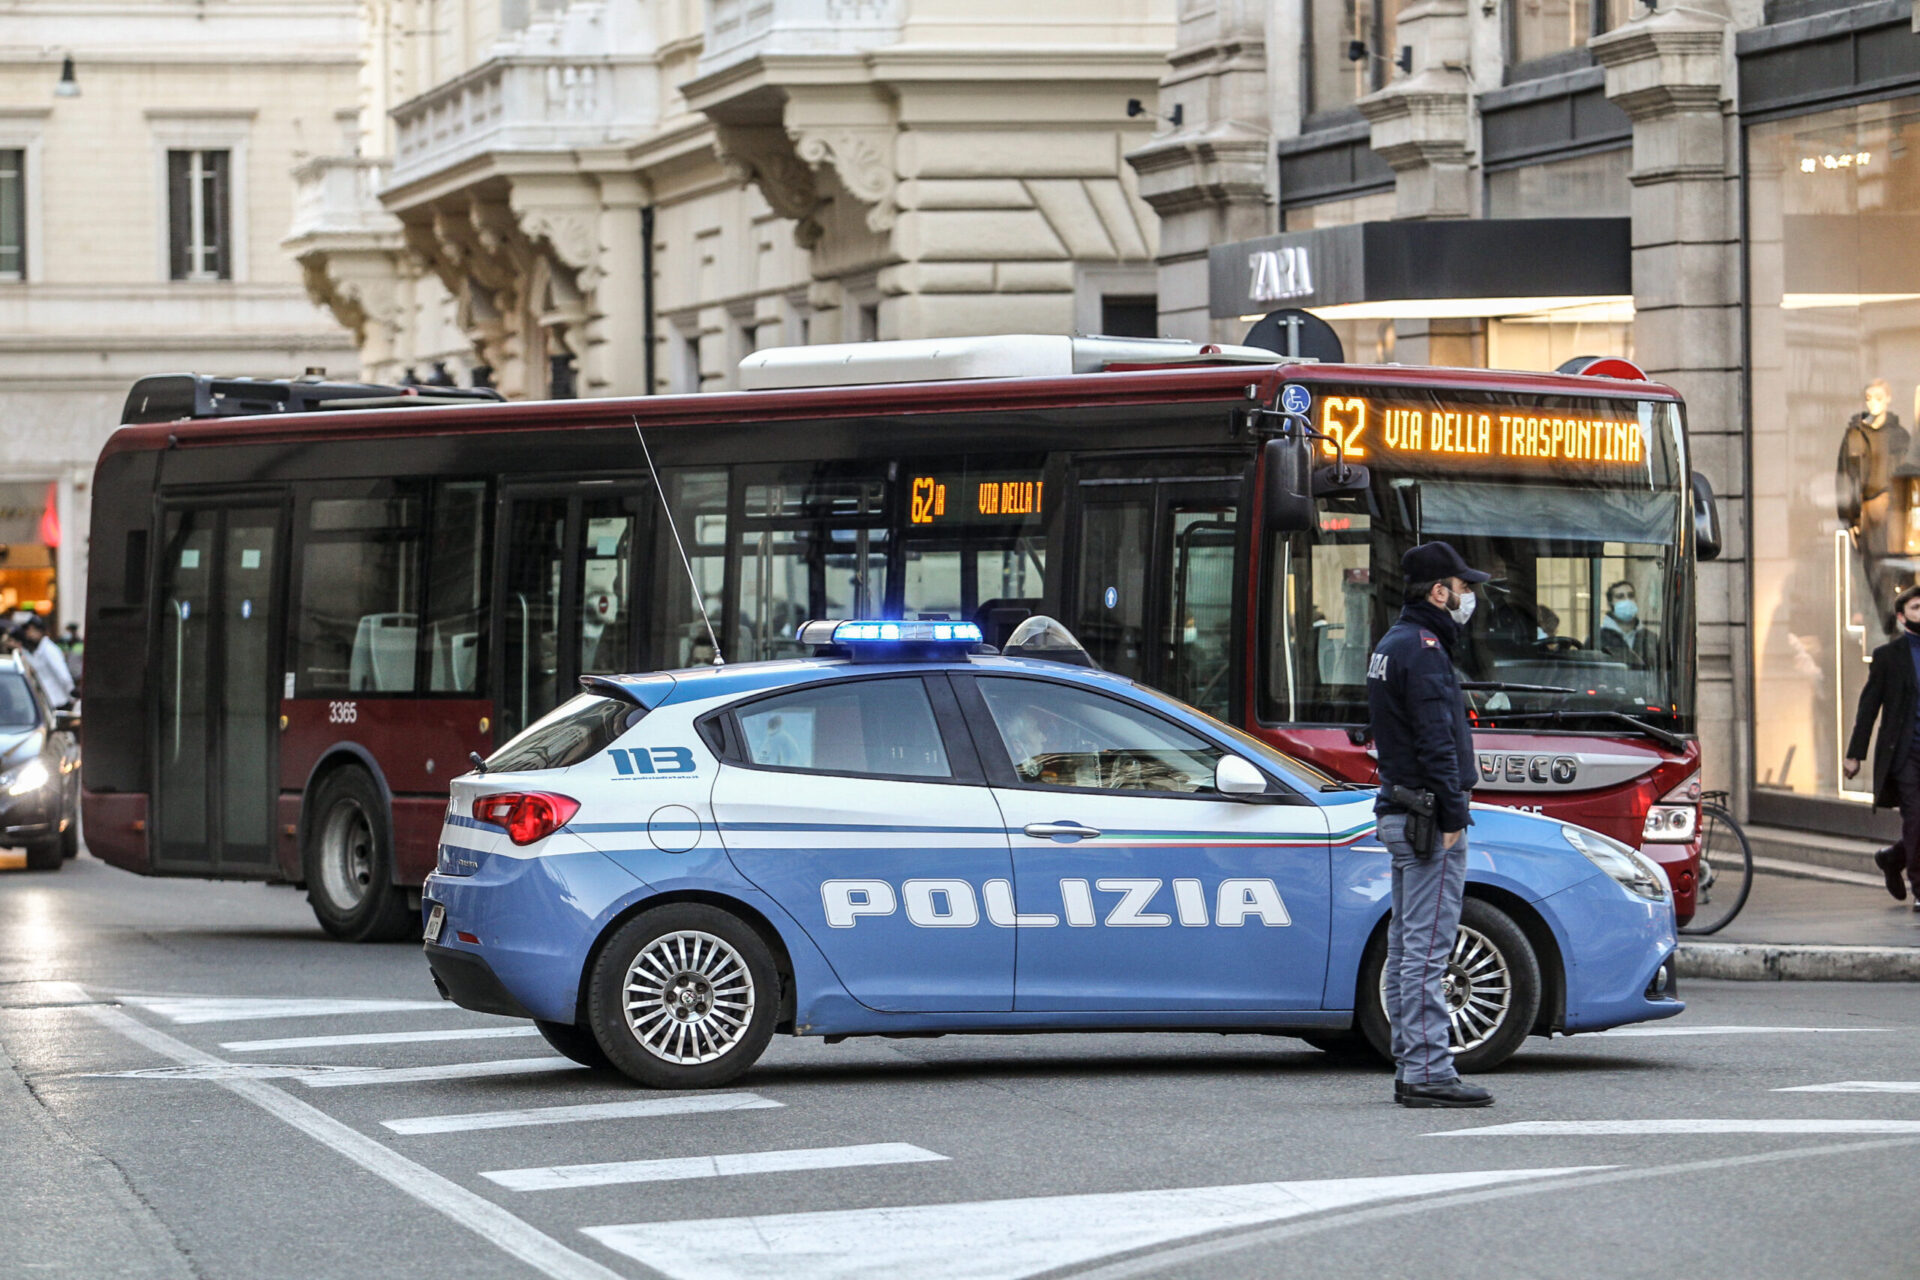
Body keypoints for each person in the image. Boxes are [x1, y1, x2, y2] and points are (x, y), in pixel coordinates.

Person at [1367, 541, 1493, 1109]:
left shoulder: (1393, 645)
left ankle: (1410, 1064)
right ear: (1438, 592)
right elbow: (1436, 738)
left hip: (1399, 808)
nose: (1469, 597)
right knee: (1427, 948)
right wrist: (1452, 813)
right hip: (1427, 815)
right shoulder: (1424, 650)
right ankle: (1427, 1071)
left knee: (1405, 944)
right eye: (1463, 588)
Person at [1843, 583, 1920, 909]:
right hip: (1904, 753)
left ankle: (1892, 858)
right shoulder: (1888, 656)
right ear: (1902, 617)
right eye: (1916, 607)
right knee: (1916, 817)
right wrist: (1854, 753)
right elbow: (1869, 706)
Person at [1837, 379, 1908, 624]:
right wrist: (1850, 516)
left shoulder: (1899, 436)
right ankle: (1880, 619)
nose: (1873, 403)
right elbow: (1846, 476)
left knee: (1894, 566)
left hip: (1894, 509)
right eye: (1869, 397)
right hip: (1867, 508)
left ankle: (1893, 618)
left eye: (1878, 397)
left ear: (1888, 399)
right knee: (1870, 566)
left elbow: (1908, 477)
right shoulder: (1855, 434)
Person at [16, 616, 74, 707]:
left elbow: (62, 674)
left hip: (58, 700)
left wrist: (71, 692)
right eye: (27, 630)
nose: (28, 633)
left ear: (40, 631)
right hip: (46, 701)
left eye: (32, 630)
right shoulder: (34, 650)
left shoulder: (49, 650)